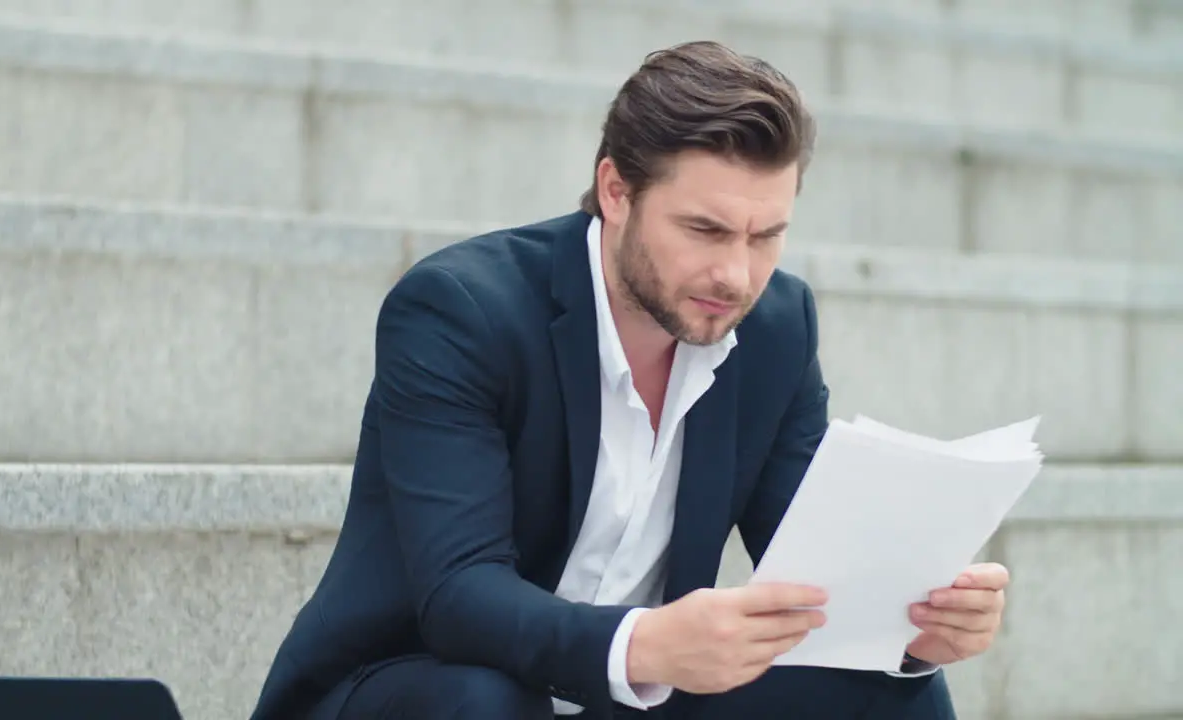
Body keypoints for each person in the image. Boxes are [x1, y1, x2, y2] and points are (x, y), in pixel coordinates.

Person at [249, 40, 1009, 720]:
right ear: (616, 192)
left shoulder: (775, 327)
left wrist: (916, 626)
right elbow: (459, 597)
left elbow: (818, 573)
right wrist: (645, 644)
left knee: (891, 690)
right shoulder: (461, 310)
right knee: (487, 700)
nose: (736, 273)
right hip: (413, 688)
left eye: (766, 236)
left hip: (634, 697)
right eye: (704, 230)